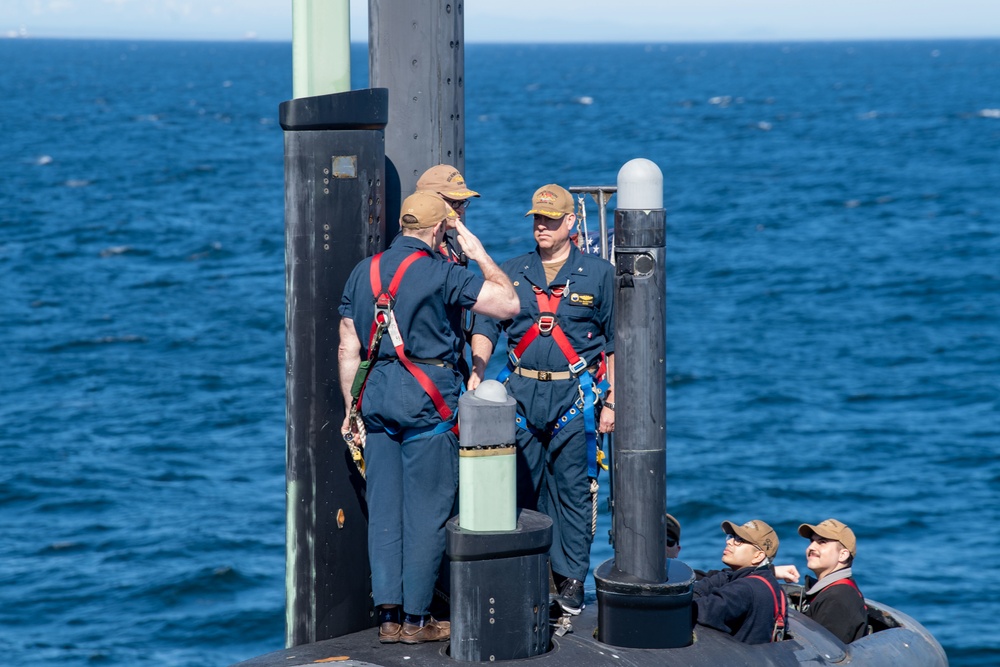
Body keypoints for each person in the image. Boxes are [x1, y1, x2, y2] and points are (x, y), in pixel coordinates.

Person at [338, 191, 518, 644]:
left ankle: (387, 618)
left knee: (383, 510)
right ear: (439, 230)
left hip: (375, 399)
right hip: (426, 402)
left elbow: (348, 346)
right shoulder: (441, 272)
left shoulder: (364, 272)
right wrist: (477, 252)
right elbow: (507, 305)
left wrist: (350, 409)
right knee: (426, 511)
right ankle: (418, 620)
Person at [469, 184, 615, 616]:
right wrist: (477, 375)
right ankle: (531, 572)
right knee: (522, 488)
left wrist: (612, 403)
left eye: (550, 220)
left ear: (571, 223)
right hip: (521, 396)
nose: (541, 227)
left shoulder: (597, 274)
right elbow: (486, 325)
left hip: (575, 399)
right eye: (537, 219)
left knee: (572, 489)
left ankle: (570, 578)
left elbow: (615, 342)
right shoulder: (511, 272)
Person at [692, 519, 787, 645]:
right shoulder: (771, 585)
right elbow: (720, 577)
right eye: (731, 537)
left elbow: (699, 611)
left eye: (739, 540)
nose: (729, 542)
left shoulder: (745, 588)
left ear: (758, 556)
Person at [797, 519, 868, 643]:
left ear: (843, 555)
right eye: (812, 541)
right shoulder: (835, 590)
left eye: (822, 542)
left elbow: (826, 655)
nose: (811, 547)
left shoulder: (838, 597)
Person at [415, 164, 480, 263]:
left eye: (462, 202)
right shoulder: (416, 252)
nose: (462, 210)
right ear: (432, 200)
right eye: (455, 202)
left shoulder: (445, 242)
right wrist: (481, 257)